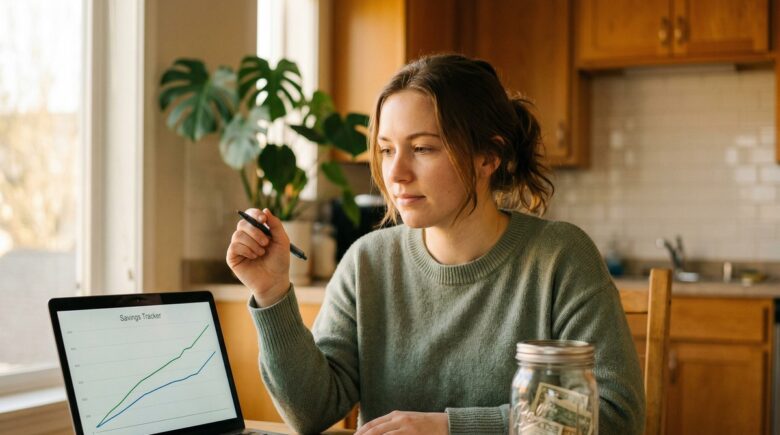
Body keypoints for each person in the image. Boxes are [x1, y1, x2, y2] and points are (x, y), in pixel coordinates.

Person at [226, 53, 644, 435]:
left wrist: (451, 428)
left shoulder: (561, 257)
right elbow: (310, 412)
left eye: (423, 148)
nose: (397, 173)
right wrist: (272, 291)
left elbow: (615, 415)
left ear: (488, 156)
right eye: (387, 150)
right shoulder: (367, 261)